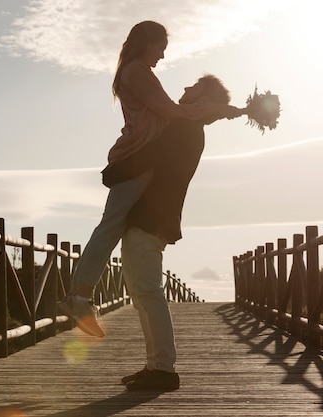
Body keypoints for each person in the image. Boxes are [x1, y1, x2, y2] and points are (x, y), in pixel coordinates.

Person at [57, 21, 240, 337]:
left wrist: (224, 109)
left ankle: (80, 296)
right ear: (146, 43)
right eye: (161, 48)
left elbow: (175, 115)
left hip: (137, 160)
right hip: (136, 161)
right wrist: (229, 109)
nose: (163, 56)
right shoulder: (138, 72)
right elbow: (171, 111)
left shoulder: (135, 72)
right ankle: (79, 297)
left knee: (111, 225)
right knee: (110, 225)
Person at [105, 75, 235, 391]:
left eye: (194, 86)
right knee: (142, 292)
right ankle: (156, 365)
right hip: (150, 217)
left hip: (152, 217)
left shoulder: (185, 128)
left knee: (148, 292)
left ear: (202, 98)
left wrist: (112, 173)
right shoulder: (186, 127)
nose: (186, 88)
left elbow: (150, 157)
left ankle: (163, 369)